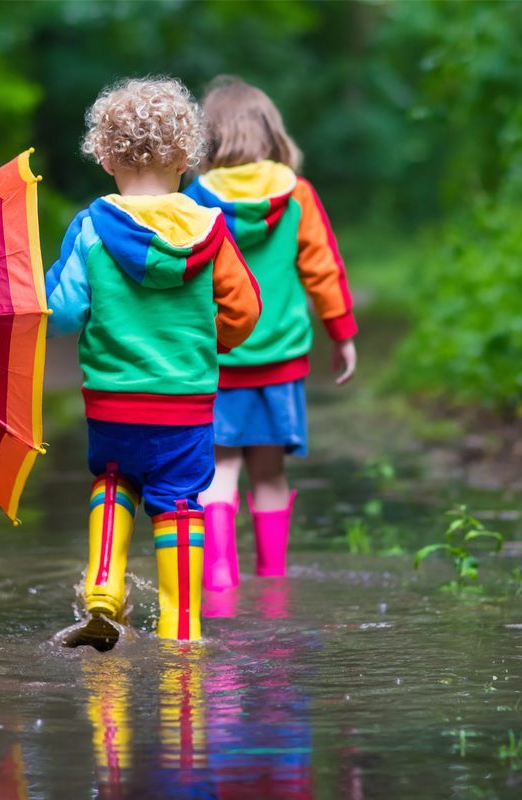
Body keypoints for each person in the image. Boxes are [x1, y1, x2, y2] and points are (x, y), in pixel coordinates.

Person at [45, 77, 261, 645]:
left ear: (108, 156)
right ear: (185, 158)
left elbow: (64, 314)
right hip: (185, 405)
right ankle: (181, 626)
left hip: (112, 402)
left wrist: (49, 287)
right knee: (180, 502)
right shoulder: (211, 230)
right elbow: (245, 309)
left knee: (114, 480)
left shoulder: (90, 227)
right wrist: (211, 343)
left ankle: (102, 589)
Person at [185, 76, 358, 592]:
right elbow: (322, 267)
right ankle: (274, 580)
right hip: (280, 358)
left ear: (208, 140)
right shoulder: (297, 195)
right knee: (269, 473)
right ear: (271, 132)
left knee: (220, 469)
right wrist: (341, 332)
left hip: (218, 357)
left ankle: (217, 575)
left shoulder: (195, 198)